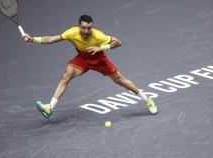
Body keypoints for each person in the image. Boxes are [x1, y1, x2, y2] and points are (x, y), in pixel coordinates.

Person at [23, 15, 157, 119]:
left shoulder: (98, 35)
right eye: (83, 28)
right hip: (82, 59)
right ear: (79, 26)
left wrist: (101, 47)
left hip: (99, 61)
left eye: (89, 28)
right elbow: (51, 40)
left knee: (120, 81)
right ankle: (50, 108)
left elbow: (118, 42)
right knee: (66, 76)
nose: (86, 31)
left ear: (92, 27)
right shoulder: (72, 32)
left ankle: (146, 99)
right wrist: (33, 39)